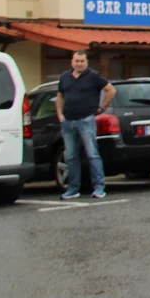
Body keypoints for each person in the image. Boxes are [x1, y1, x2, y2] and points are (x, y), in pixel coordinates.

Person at [57, 51, 116, 200]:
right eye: (77, 61)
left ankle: (99, 188)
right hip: (68, 121)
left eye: (82, 61)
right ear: (72, 62)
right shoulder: (64, 77)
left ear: (87, 62)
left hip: (86, 120)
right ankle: (73, 189)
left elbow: (111, 90)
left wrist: (101, 108)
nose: (79, 64)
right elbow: (60, 96)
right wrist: (60, 115)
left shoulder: (93, 76)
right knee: (71, 156)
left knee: (92, 154)